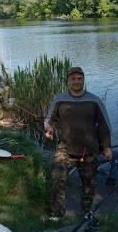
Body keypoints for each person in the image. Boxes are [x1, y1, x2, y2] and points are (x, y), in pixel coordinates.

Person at [44, 66, 113, 220]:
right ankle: (57, 214)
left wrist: (107, 147)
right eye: (73, 78)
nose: (76, 81)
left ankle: (86, 211)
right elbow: (51, 119)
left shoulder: (94, 100)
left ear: (83, 80)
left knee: (89, 185)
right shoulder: (59, 100)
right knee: (56, 179)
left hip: (88, 150)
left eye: (79, 78)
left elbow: (104, 125)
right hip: (65, 149)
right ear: (68, 81)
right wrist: (49, 129)